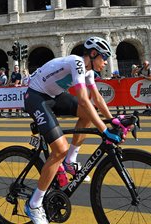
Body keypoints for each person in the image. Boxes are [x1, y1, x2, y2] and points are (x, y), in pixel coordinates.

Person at [23, 36, 123, 224]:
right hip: (35, 96)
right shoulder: (77, 62)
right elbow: (84, 100)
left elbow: (97, 99)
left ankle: (70, 161)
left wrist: (113, 121)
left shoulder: (89, 71)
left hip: (53, 95)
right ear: (93, 54)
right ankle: (34, 204)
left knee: (86, 116)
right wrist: (104, 130)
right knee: (59, 149)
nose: (106, 62)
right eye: (104, 57)